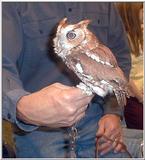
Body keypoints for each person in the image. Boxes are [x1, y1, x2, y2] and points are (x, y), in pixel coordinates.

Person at [2, 2, 131, 158]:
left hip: (98, 119)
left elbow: (119, 59)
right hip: (39, 129)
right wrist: (21, 106)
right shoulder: (12, 5)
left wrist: (114, 112)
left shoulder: (105, 4)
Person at [117, 2, 143, 130]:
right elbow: (124, 73)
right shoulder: (122, 41)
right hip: (133, 96)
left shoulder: (140, 34)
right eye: (142, 10)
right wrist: (141, 98)